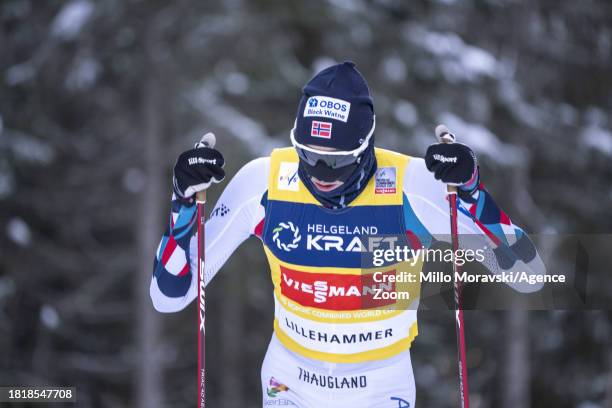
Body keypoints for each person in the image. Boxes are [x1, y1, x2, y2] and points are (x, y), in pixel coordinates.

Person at [150, 61, 545, 407]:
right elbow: (169, 295)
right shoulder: (264, 182)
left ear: (366, 145)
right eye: (308, 154)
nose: (321, 174)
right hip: (291, 382)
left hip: (379, 388)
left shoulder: (412, 186)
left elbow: (528, 275)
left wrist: (473, 195)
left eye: (336, 161)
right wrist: (182, 203)